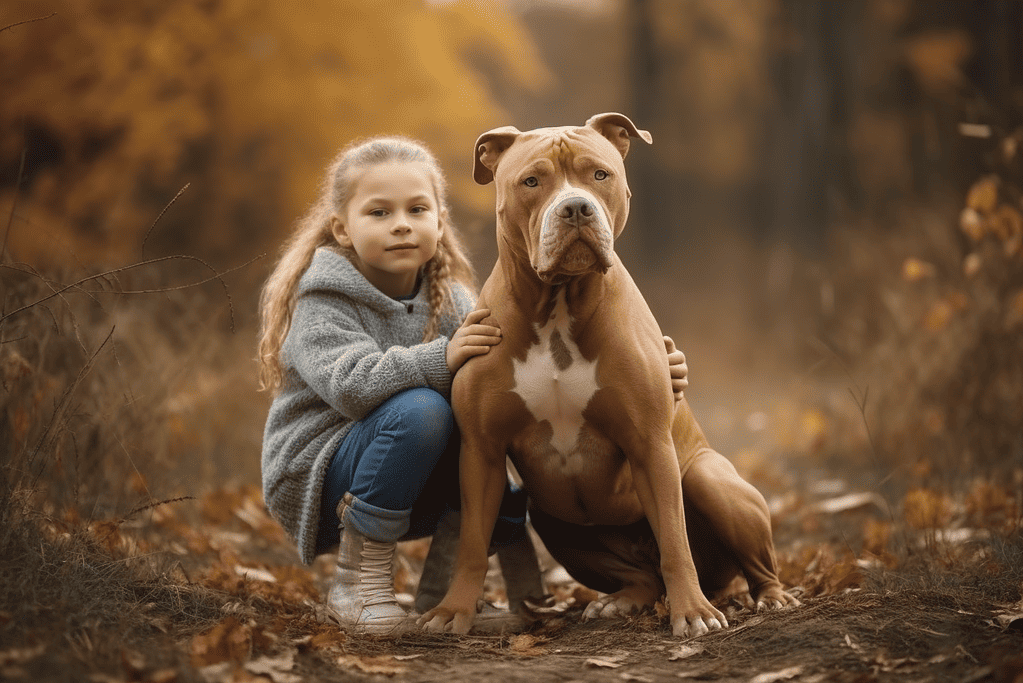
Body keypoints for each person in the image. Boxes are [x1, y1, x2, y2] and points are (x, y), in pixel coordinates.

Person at [257, 135, 690, 634]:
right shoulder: (322, 301)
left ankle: (454, 597)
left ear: (440, 223)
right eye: (379, 213)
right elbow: (351, 386)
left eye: (417, 209)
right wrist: (443, 356)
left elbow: (501, 403)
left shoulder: (458, 302)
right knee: (426, 411)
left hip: (401, 469)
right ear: (342, 229)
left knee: (479, 430)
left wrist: (652, 372)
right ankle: (361, 586)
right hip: (321, 474)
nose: (401, 223)